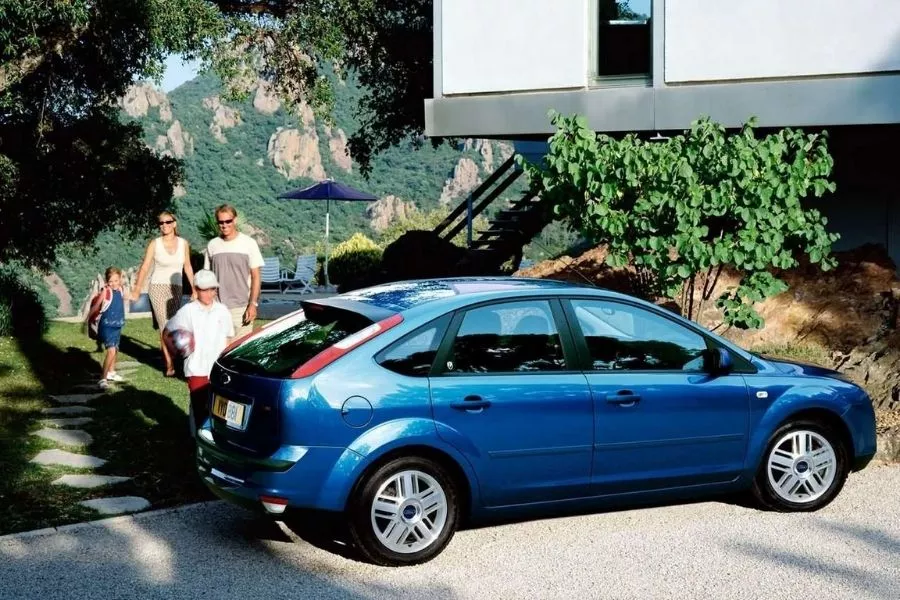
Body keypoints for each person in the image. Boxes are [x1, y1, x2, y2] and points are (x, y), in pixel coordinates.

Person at [164, 269, 234, 436]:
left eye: (213, 289)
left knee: (220, 408)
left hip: (217, 368)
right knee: (200, 407)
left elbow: (229, 338)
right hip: (197, 368)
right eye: (205, 289)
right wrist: (171, 359)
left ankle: (218, 439)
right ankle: (199, 441)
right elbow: (167, 332)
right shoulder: (188, 311)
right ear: (196, 289)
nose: (210, 293)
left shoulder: (222, 310)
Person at [131, 211, 196, 377]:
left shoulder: (183, 243)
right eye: (161, 223)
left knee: (174, 324)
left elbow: (187, 266)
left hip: (176, 287)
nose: (164, 225)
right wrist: (137, 288)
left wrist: (195, 289)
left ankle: (173, 356)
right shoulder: (155, 244)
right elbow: (145, 266)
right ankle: (169, 364)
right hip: (157, 287)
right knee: (164, 325)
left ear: (174, 223)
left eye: (168, 222)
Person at [204, 204, 263, 340]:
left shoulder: (249, 243)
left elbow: (256, 276)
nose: (224, 225)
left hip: (242, 308)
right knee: (219, 353)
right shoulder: (212, 245)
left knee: (239, 352)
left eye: (228, 221)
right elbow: (207, 278)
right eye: (221, 222)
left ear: (234, 220)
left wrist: (253, 304)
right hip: (217, 307)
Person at [94, 267, 127, 389]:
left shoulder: (121, 290)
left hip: (117, 324)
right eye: (111, 281)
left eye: (116, 280)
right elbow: (97, 305)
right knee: (111, 351)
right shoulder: (106, 292)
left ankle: (111, 372)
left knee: (116, 348)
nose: (113, 283)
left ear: (120, 280)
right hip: (107, 325)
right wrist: (88, 319)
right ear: (107, 281)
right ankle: (102, 378)